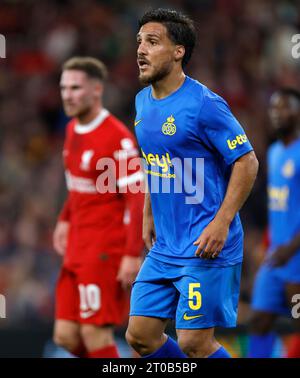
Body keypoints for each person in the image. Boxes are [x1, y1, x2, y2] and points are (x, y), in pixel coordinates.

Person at [125, 8, 259, 358]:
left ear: (178, 51)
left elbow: (247, 161)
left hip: (205, 243)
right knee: (140, 336)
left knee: (194, 342)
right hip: (166, 245)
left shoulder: (204, 105)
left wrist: (222, 221)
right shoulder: (141, 102)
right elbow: (155, 161)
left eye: (152, 42)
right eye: (139, 41)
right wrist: (148, 212)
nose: (140, 50)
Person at [53, 56, 144, 358]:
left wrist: (132, 254)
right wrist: (64, 219)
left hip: (104, 248)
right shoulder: (71, 130)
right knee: (65, 335)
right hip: (76, 246)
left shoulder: (117, 138)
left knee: (94, 331)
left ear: (96, 90)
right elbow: (78, 185)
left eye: (75, 87)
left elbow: (137, 195)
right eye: (64, 87)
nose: (67, 94)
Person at [248, 88, 300, 358]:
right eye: (273, 108)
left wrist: (290, 249)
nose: (277, 113)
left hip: (295, 257)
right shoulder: (275, 152)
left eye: (284, 107)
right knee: (259, 321)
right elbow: (279, 208)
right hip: (275, 255)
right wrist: (268, 245)